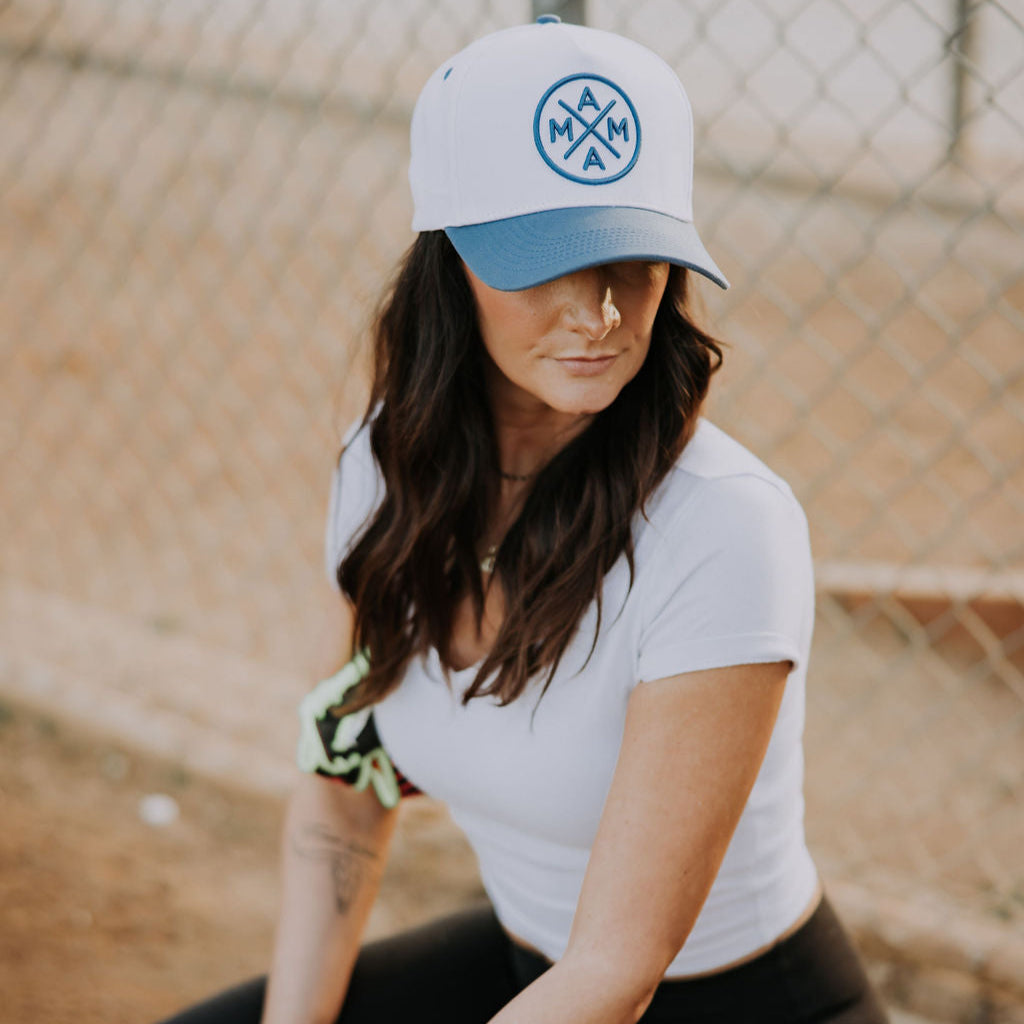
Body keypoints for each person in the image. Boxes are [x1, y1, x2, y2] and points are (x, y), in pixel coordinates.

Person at [159, 17, 889, 1024]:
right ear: (450, 257)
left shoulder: (724, 526)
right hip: (526, 971)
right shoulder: (386, 468)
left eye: (634, 257)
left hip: (728, 1004)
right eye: (546, 259)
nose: (600, 311)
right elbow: (345, 792)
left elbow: (615, 971)